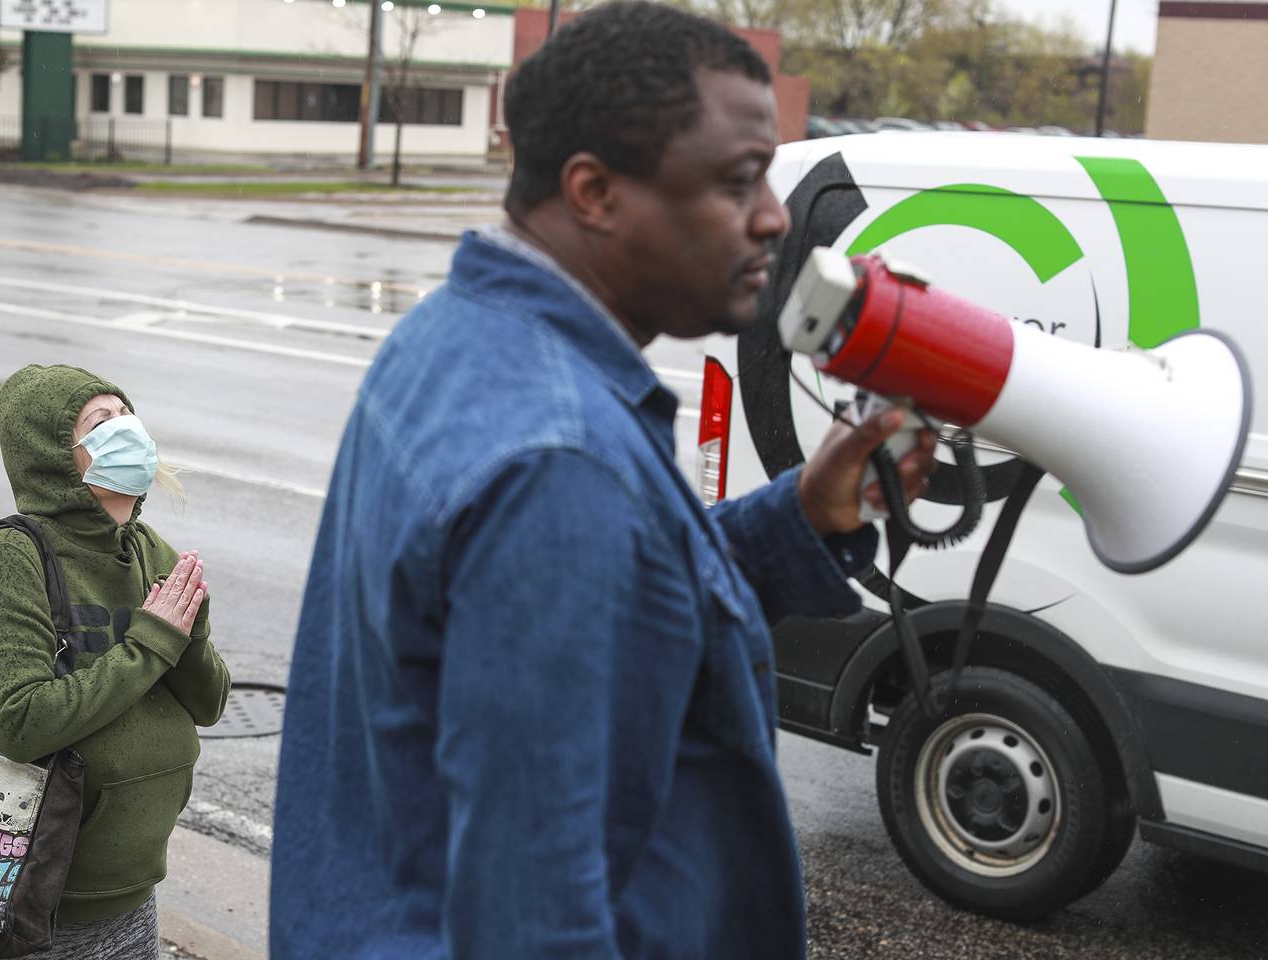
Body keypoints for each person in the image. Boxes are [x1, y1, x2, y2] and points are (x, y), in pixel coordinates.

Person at [270, 3, 937, 957]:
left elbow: (623, 609)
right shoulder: (557, 462)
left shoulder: (458, 335)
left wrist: (799, 516)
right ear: (594, 192)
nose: (775, 217)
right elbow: (532, 918)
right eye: (738, 179)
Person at [0, 364, 232, 960]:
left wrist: (189, 636)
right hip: (23, 894)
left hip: (129, 893)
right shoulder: (12, 557)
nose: (128, 430)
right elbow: (21, 722)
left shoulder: (150, 551)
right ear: (51, 455)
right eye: (102, 422)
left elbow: (209, 703)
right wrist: (152, 640)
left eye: (127, 415)